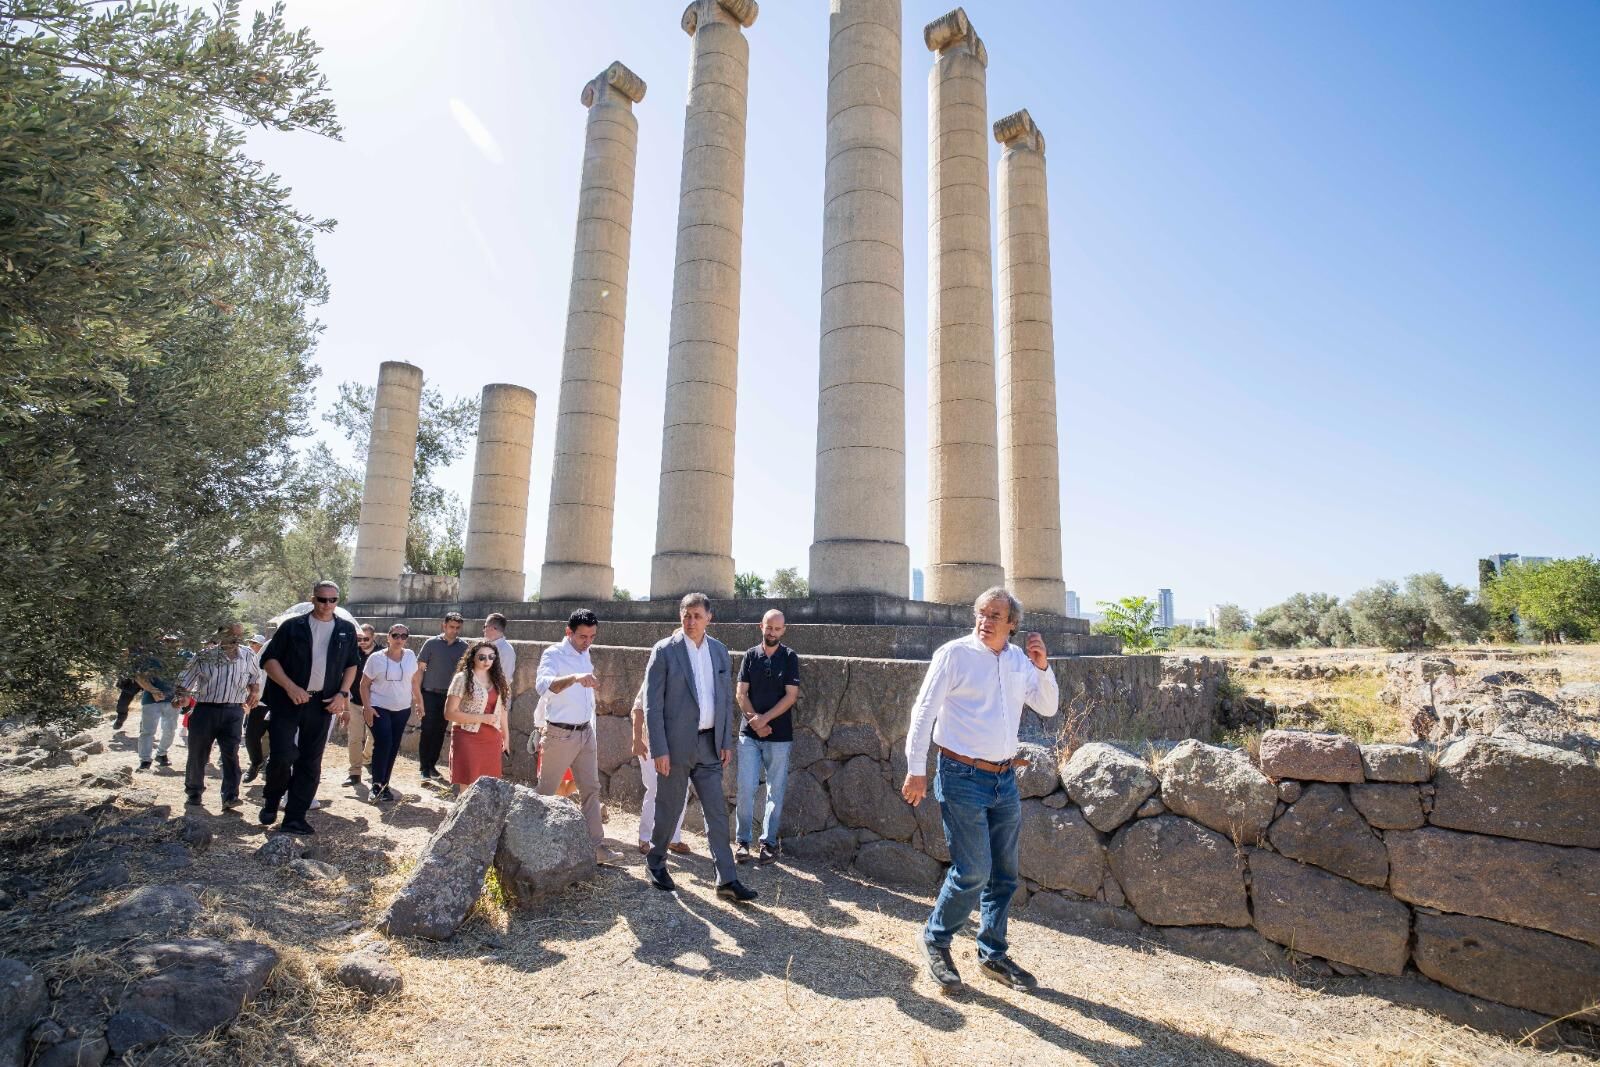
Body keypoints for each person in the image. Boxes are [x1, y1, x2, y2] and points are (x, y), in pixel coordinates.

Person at [901, 586, 1059, 993]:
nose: (985, 621)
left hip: (1004, 778)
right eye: (981, 614)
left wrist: (1042, 667)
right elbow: (923, 712)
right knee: (973, 870)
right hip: (960, 775)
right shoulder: (954, 654)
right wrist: (916, 770)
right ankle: (936, 939)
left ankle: (992, 953)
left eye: (995, 616)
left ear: (1012, 624)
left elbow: (1048, 706)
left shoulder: (1019, 660)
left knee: (1004, 875)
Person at [642, 593, 756, 903]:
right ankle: (655, 862)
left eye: (696, 615)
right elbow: (652, 706)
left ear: (709, 618)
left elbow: (724, 700)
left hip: (709, 745)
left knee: (717, 813)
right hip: (675, 746)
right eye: (686, 615)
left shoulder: (719, 652)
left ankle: (727, 880)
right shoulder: (664, 651)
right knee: (669, 808)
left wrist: (724, 740)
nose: (690, 621)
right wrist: (659, 749)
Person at [258, 580, 361, 835]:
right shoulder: (293, 627)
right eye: (322, 599)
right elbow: (269, 661)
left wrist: (342, 694)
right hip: (288, 700)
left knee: (310, 761)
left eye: (332, 600)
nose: (327, 605)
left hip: (322, 704)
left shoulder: (345, 630)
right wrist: (291, 687)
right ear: (313, 599)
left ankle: (295, 817)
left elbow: (351, 665)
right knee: (283, 755)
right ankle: (272, 800)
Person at [533, 609, 611, 863]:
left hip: (585, 732)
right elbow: (544, 686)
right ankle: (531, 845)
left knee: (591, 790)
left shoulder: (585, 652)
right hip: (560, 733)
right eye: (582, 637)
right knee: (546, 792)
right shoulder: (553, 654)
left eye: (592, 636)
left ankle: (597, 848)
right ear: (568, 632)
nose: (587, 642)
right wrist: (576, 677)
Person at [734, 609, 801, 865]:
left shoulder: (790, 657)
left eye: (777, 629)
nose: (772, 632)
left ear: (783, 630)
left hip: (779, 735)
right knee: (746, 788)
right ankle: (742, 841)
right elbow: (741, 693)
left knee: (776, 790)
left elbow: (791, 695)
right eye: (768, 627)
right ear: (760, 626)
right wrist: (756, 721)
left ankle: (768, 843)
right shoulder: (750, 656)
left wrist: (765, 720)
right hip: (749, 735)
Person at [176, 622, 259, 811]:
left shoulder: (248, 654)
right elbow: (184, 681)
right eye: (232, 635)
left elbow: (255, 677)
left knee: (231, 754)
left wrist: (254, 691)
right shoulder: (204, 656)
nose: (236, 639)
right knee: (198, 753)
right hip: (206, 710)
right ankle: (194, 792)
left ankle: (230, 796)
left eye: (239, 635)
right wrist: (181, 697)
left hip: (234, 711)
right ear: (221, 635)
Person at [359, 624, 422, 802]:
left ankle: (385, 785)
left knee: (393, 745)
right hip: (379, 706)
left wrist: (419, 702)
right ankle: (376, 785)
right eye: (395, 635)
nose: (399, 639)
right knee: (384, 742)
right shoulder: (375, 658)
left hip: (402, 708)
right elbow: (364, 685)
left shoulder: (410, 656)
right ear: (388, 637)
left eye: (404, 636)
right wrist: (367, 707)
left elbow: (415, 681)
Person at [631, 676, 687, 855]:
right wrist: (637, 738)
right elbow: (638, 707)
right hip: (651, 742)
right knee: (655, 788)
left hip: (679, 744)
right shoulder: (655, 673)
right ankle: (646, 837)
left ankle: (673, 838)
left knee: (681, 789)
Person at [444, 640, 508, 789]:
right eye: (482, 657)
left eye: (491, 657)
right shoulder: (462, 678)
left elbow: (502, 712)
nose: (487, 661)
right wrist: (483, 719)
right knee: (467, 788)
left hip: (492, 738)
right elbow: (449, 713)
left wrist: (506, 738)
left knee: (489, 788)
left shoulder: (499, 679)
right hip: (467, 736)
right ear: (472, 657)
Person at [415, 611, 467, 782]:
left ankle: (432, 766)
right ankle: (423, 768)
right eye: (451, 627)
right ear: (443, 625)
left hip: (449, 696)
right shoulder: (431, 643)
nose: (454, 630)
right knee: (428, 730)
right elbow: (420, 670)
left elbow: (465, 673)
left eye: (458, 627)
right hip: (429, 693)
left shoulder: (464, 647)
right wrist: (418, 698)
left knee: (440, 731)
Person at [135, 635, 183, 771]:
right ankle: (145, 759)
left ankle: (162, 753)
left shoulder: (181, 659)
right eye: (167, 641)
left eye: (173, 641)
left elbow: (185, 679)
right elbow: (139, 676)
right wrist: (152, 690)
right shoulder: (150, 658)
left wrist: (181, 695)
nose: (170, 644)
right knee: (148, 731)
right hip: (151, 700)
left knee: (170, 730)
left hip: (172, 700)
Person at [342, 624, 378, 787]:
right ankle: (355, 772)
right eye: (359, 639)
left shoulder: (381, 654)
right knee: (355, 738)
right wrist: (345, 707)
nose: (362, 642)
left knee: (375, 737)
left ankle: (367, 759)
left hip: (376, 703)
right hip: (355, 701)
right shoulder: (351, 654)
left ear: (373, 638)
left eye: (366, 639)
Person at [243, 632, 271, 783]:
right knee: (251, 737)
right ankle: (256, 762)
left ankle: (271, 770)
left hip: (284, 703)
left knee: (277, 739)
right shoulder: (271, 644)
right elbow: (256, 669)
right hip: (260, 701)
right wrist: (253, 693)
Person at [483, 612, 517, 685]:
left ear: (492, 629)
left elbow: (505, 679)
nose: (483, 630)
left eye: (485, 626)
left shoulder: (506, 650)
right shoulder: (485, 646)